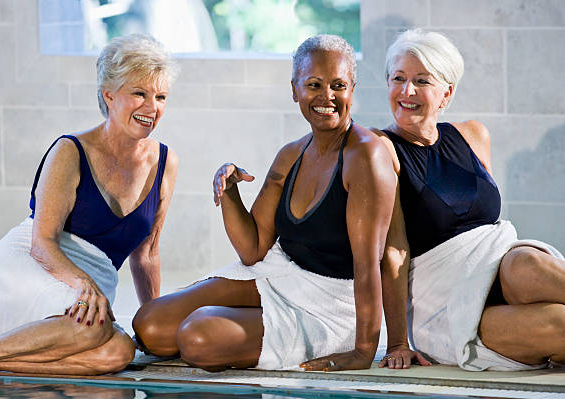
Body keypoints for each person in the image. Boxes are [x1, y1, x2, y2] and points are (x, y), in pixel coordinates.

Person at [133, 34, 397, 371]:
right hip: (280, 276)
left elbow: (368, 265)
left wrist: (363, 351)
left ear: (352, 89)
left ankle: (254, 332)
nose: (326, 96)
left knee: (197, 338)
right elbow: (254, 249)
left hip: (330, 303)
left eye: (338, 85)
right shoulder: (291, 155)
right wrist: (229, 192)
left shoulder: (366, 155)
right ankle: (252, 325)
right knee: (150, 325)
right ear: (294, 89)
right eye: (314, 85)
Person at [0, 34, 178, 378]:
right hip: (33, 265)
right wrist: (81, 283)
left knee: (119, 352)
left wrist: (155, 323)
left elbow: (146, 254)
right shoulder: (69, 151)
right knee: (94, 328)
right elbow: (42, 242)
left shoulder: (165, 162)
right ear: (109, 94)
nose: (152, 108)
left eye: (160, 97)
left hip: (85, 282)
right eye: (139, 93)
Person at [374, 29, 565, 371]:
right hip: (446, 303)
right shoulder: (380, 150)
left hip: (500, 266)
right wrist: (398, 341)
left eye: (422, 80)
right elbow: (394, 251)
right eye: (398, 78)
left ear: (446, 93)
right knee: (560, 323)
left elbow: (485, 225)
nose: (407, 91)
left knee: (527, 265)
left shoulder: (473, 134)